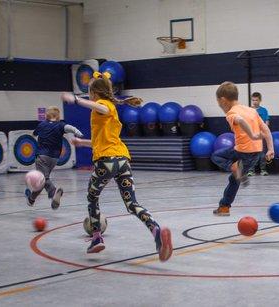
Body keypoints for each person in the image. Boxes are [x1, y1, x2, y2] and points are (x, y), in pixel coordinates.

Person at [62, 73, 173, 261]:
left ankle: (96, 238)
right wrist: (82, 143)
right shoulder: (107, 109)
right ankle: (155, 230)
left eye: (89, 92)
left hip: (106, 161)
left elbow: (101, 108)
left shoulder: (104, 106)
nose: (88, 95)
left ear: (95, 93)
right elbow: (102, 142)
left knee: (92, 196)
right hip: (121, 159)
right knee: (132, 204)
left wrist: (75, 100)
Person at [211, 82, 274, 216]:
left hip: (242, 152)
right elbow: (266, 129)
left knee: (216, 156)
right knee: (234, 180)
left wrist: (251, 134)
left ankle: (235, 167)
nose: (220, 106)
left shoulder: (231, 113)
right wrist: (270, 149)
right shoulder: (252, 110)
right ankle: (224, 207)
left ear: (223, 100)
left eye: (219, 103)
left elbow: (239, 120)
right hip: (255, 153)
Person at [25, 106, 83, 209]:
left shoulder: (42, 124)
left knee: (43, 179)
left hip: (42, 156)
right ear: (58, 116)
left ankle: (54, 192)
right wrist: (77, 132)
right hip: (54, 158)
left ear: (47, 116)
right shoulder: (60, 125)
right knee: (42, 180)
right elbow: (69, 128)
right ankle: (31, 199)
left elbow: (34, 134)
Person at [248, 92, 270, 176]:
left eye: (256, 100)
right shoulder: (249, 110)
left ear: (260, 100)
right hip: (252, 135)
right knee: (251, 153)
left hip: (261, 135)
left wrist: (264, 132)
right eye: (253, 100)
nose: (254, 102)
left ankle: (263, 169)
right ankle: (251, 170)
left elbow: (266, 122)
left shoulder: (263, 110)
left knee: (262, 153)